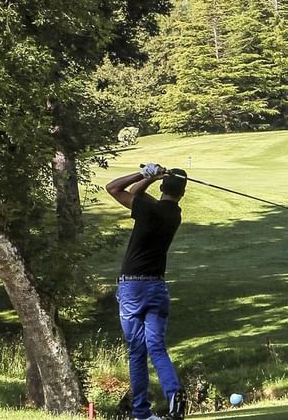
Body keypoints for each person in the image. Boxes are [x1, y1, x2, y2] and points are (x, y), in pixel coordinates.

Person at [106, 162, 189, 420]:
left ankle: (141, 412)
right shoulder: (174, 214)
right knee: (156, 347)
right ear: (182, 193)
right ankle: (174, 397)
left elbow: (114, 188)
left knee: (136, 351)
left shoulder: (148, 209)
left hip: (133, 286)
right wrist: (153, 178)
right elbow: (140, 196)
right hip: (157, 287)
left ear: (163, 186)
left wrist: (147, 175)